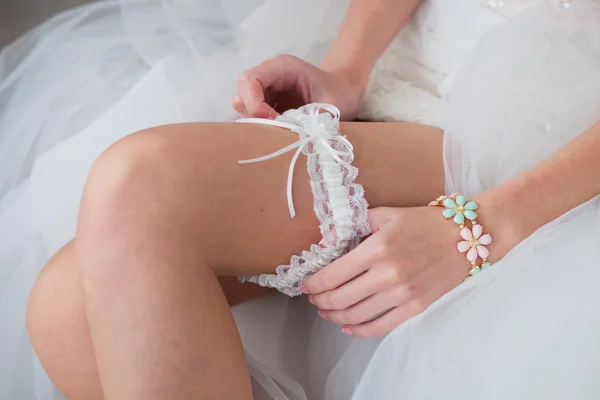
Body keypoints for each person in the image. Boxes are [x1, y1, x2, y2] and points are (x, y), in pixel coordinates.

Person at [2, 0, 600, 399]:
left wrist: (482, 225)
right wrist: (347, 67)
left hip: (543, 126)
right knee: (65, 307)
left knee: (142, 183)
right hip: (411, 67)